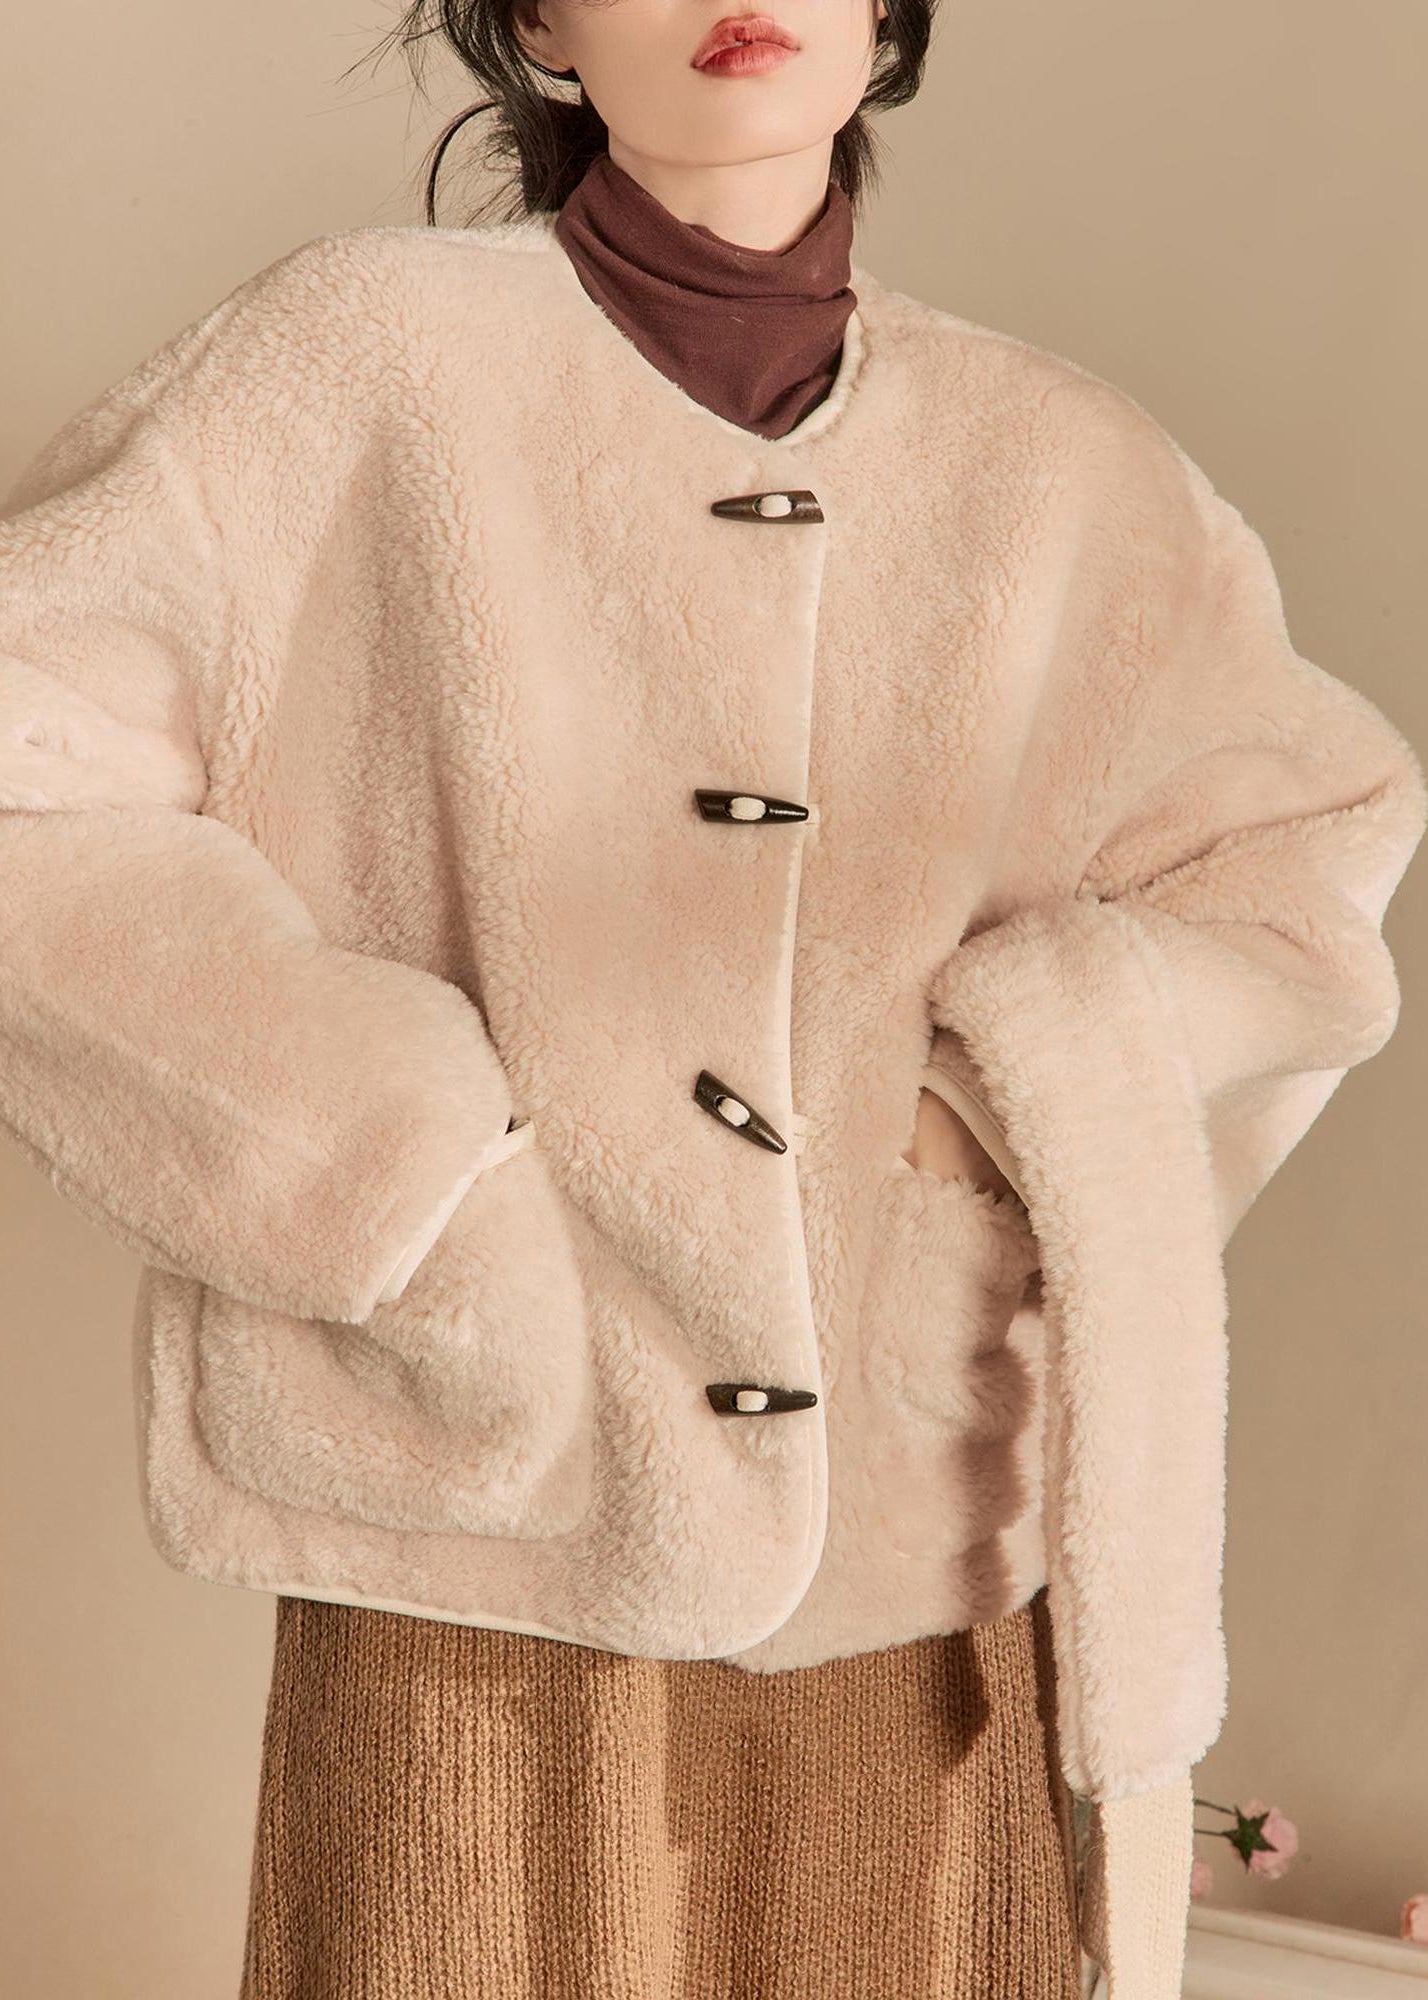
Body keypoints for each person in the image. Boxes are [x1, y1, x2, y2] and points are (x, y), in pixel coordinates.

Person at [1, 4, 1422, 1996]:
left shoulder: (1065, 472)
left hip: (927, 1565)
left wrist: (998, 1104)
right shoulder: (353, 364)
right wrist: (408, 1172)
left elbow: (1301, 874)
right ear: (539, 21)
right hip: (486, 1544)